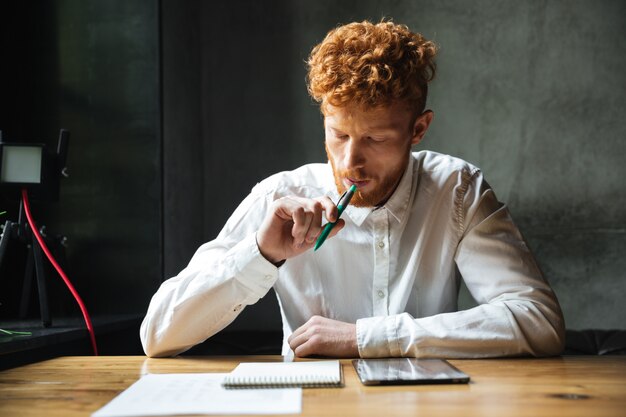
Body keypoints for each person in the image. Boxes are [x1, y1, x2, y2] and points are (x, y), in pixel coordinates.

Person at [140, 20, 565, 359]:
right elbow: (158, 335)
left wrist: (366, 337)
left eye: (375, 140)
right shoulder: (280, 197)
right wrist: (261, 254)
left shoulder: (457, 191)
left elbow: (539, 322)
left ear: (419, 129)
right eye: (338, 135)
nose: (349, 163)